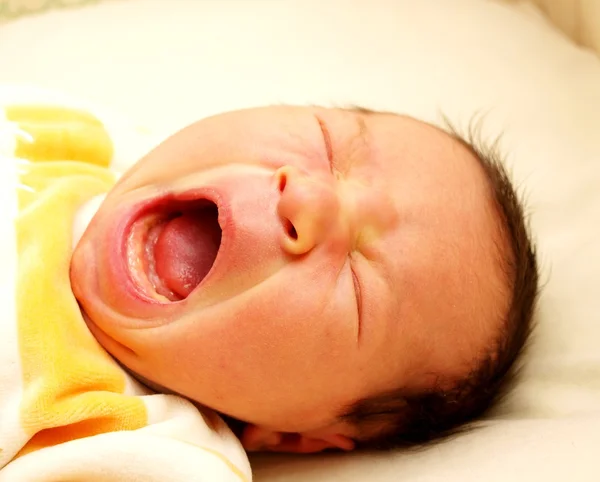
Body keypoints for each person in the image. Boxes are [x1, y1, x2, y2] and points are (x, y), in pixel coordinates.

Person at [0, 100, 538, 479]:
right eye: (329, 147)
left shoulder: (143, 444)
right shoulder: (79, 144)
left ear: (292, 436)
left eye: (358, 291)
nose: (309, 197)